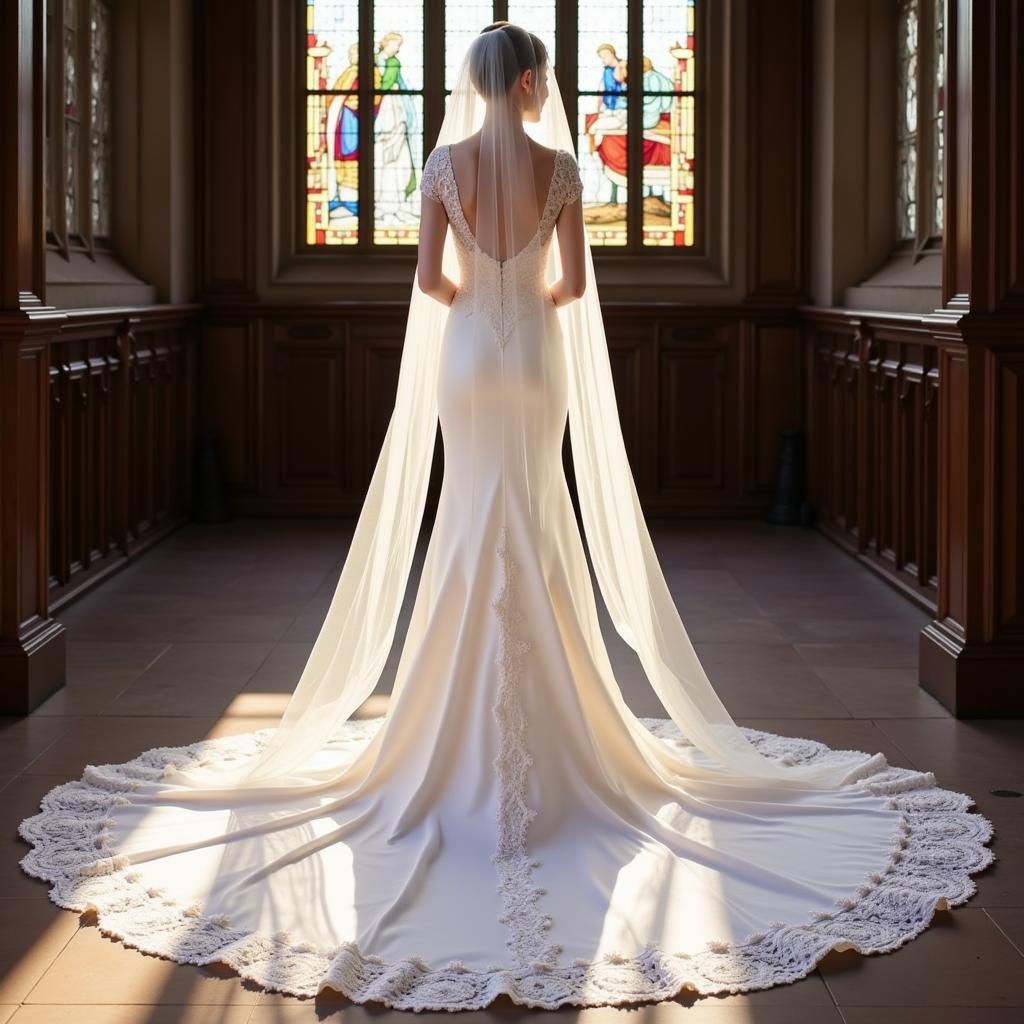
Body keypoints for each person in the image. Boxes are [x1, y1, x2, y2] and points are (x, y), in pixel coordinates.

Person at [19, 21, 994, 1013]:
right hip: (533, 365)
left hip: (465, 368)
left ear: (470, 84)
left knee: (467, 525)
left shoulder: (442, 160)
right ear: (528, 83)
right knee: (535, 522)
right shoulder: (560, 168)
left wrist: (477, 287)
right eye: (544, 78)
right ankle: (557, 728)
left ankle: (442, 733)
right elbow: (570, 285)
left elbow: (427, 281)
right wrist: (519, 284)